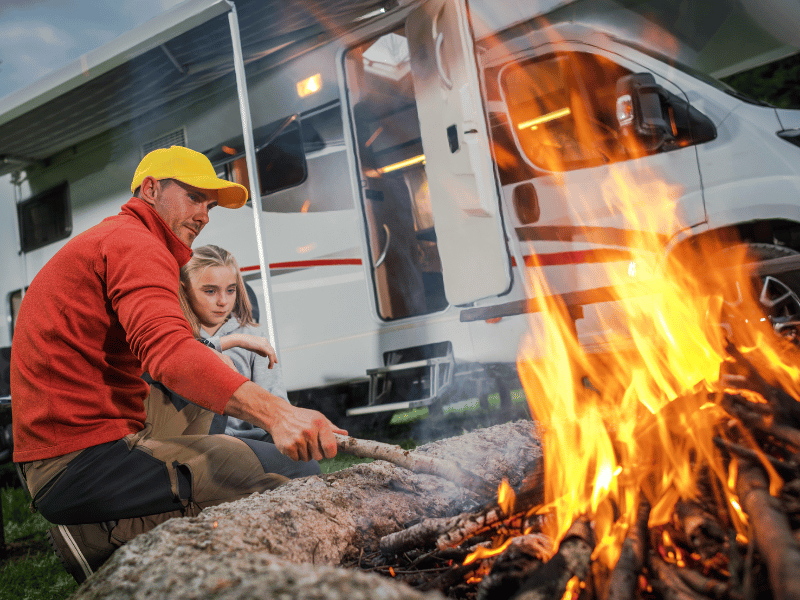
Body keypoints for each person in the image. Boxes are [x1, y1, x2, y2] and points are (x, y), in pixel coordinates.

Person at [9, 146, 346, 583]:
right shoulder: (135, 243)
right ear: (150, 189)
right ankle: (101, 543)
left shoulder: (116, 239)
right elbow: (168, 353)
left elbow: (178, 349)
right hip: (79, 466)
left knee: (207, 398)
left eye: (209, 205)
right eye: (194, 197)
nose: (204, 214)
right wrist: (278, 415)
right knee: (292, 469)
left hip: (70, 452)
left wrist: (219, 350)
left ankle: (133, 524)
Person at [144, 243, 318, 479]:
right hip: (195, 441)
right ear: (184, 290)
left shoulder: (255, 338)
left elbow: (276, 402)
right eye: (210, 291)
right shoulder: (177, 335)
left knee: (306, 464)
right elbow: (184, 360)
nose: (223, 301)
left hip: (248, 443)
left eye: (231, 290)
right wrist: (229, 343)